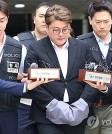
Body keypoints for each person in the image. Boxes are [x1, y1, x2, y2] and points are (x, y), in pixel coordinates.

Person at [24, 4, 102, 134]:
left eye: (65, 29)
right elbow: (31, 83)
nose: (61, 34)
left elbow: (92, 77)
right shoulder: (35, 48)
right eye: (55, 30)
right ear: (47, 28)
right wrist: (52, 104)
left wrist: (83, 103)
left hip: (78, 113)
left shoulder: (83, 47)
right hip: (46, 115)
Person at [77, 0, 112, 134]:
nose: (102, 26)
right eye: (97, 22)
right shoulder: (79, 43)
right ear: (90, 20)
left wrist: (105, 87)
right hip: (86, 105)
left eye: (106, 21)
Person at [14, 2, 52, 134]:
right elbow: (6, 72)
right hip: (25, 105)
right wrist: (20, 76)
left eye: (48, 16)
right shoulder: (18, 42)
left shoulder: (63, 43)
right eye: (41, 16)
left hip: (51, 106)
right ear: (34, 18)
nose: (44, 20)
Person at [0, 0, 28, 134]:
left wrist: (26, 79)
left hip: (9, 108)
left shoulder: (18, 47)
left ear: (7, 19)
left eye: (1, 20)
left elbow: (21, 74)